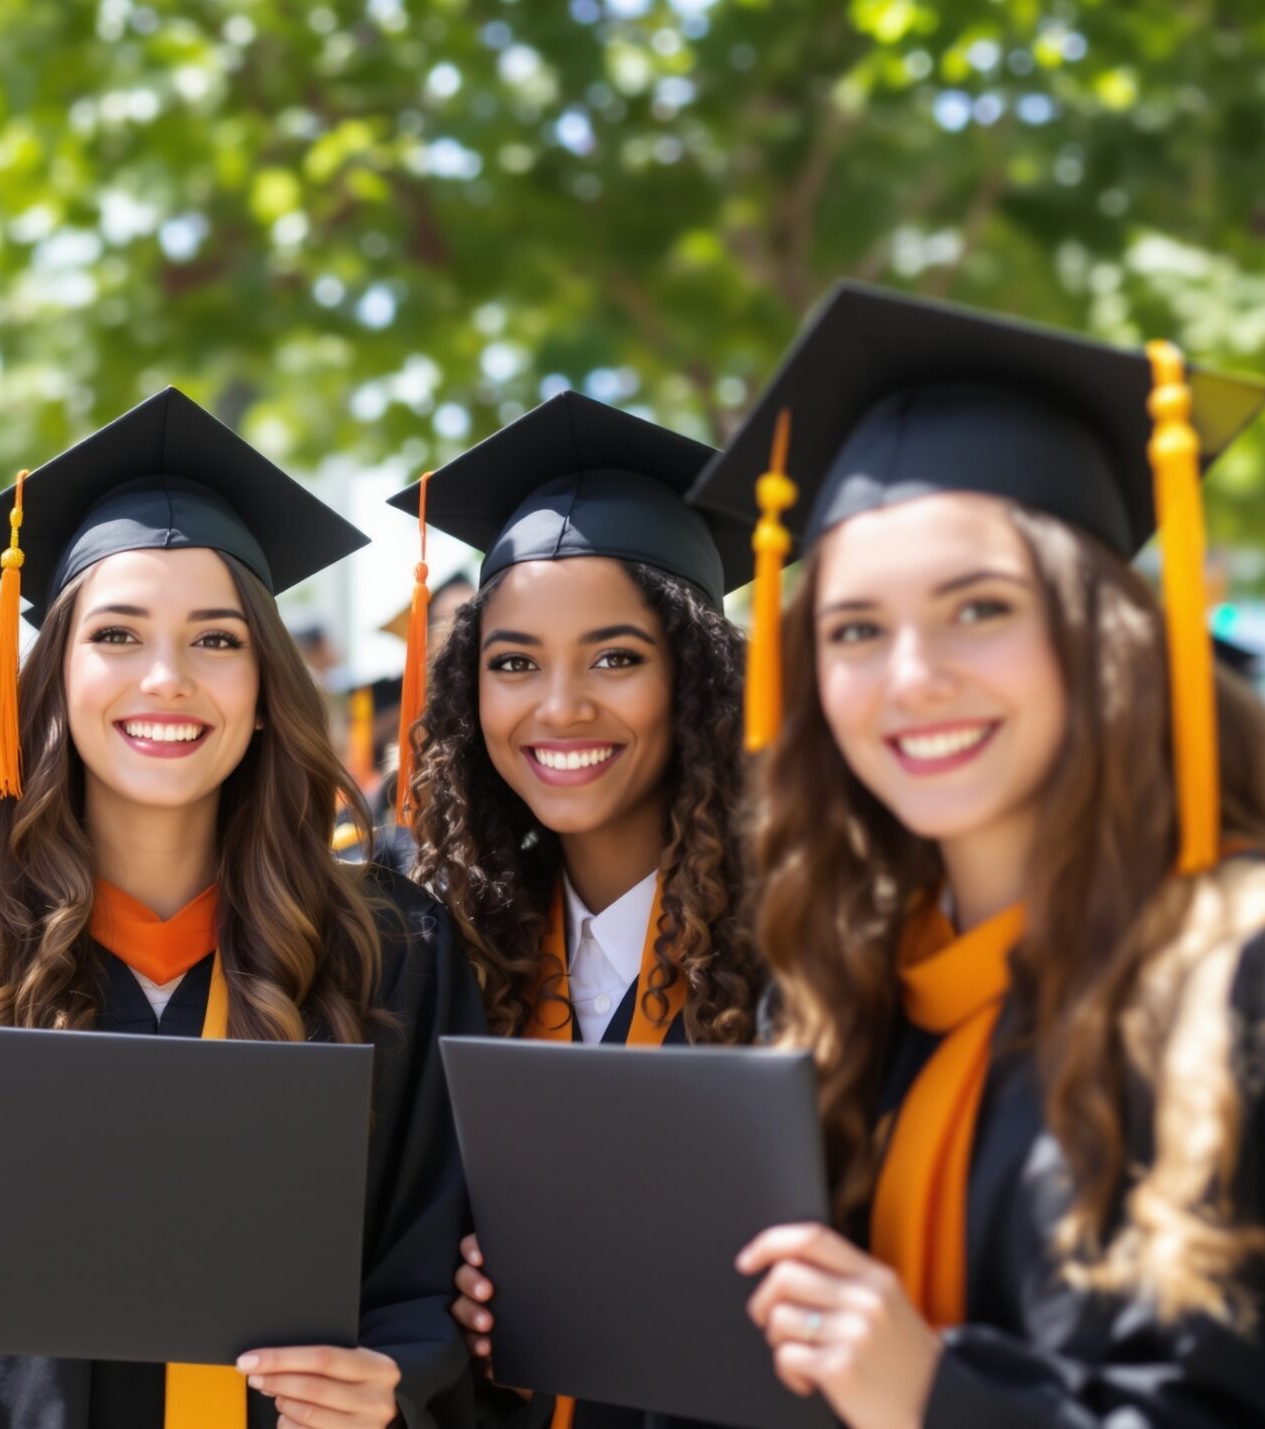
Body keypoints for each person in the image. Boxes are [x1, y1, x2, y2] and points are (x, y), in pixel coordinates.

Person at [693, 282, 1265, 1427]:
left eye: (978, 608)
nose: (910, 676)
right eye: (853, 630)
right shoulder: (844, 1003)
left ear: (1105, 637)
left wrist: (939, 1399)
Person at [0, 386, 483, 1428]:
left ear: (267, 683)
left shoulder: (385, 954)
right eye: (116, 635)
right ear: (52, 676)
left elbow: (442, 1288)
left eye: (216, 640)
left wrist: (389, 1393)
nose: (166, 679)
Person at [393, 393, 768, 1429]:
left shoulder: (799, 952)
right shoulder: (444, 952)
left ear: (695, 676)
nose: (557, 708)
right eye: (512, 662)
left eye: (616, 657)